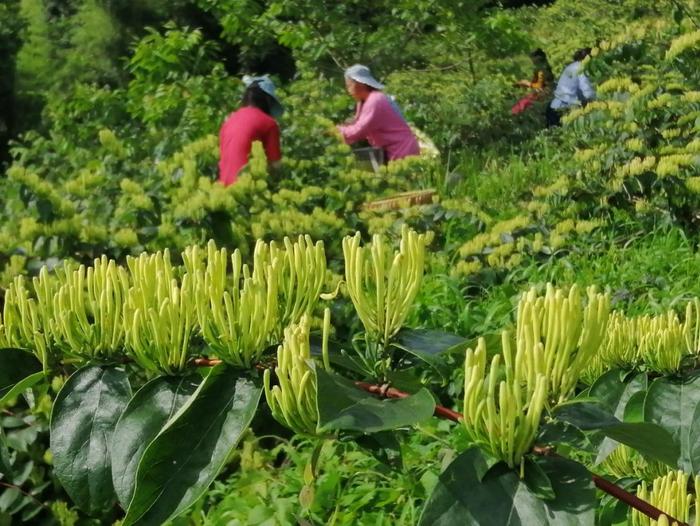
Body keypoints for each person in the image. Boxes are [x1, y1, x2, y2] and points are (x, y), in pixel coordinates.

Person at [337, 64, 420, 162]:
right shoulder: (363, 102)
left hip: (402, 149)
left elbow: (358, 131)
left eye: (349, 85)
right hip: (390, 150)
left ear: (360, 84)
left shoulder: (375, 100)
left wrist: (333, 130)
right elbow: (358, 125)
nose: (348, 90)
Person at [218, 75, 283, 186]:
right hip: (246, 188)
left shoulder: (229, 120)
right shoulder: (269, 123)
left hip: (223, 188)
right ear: (268, 101)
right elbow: (275, 165)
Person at [547, 48, 596, 127]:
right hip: (565, 109)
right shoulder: (582, 68)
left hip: (554, 106)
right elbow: (588, 92)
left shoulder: (571, 66)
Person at [511, 48, 554, 115]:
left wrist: (527, 83)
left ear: (538, 58)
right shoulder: (541, 67)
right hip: (542, 92)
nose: (532, 60)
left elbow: (539, 85)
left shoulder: (542, 69)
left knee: (521, 105)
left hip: (545, 93)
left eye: (533, 58)